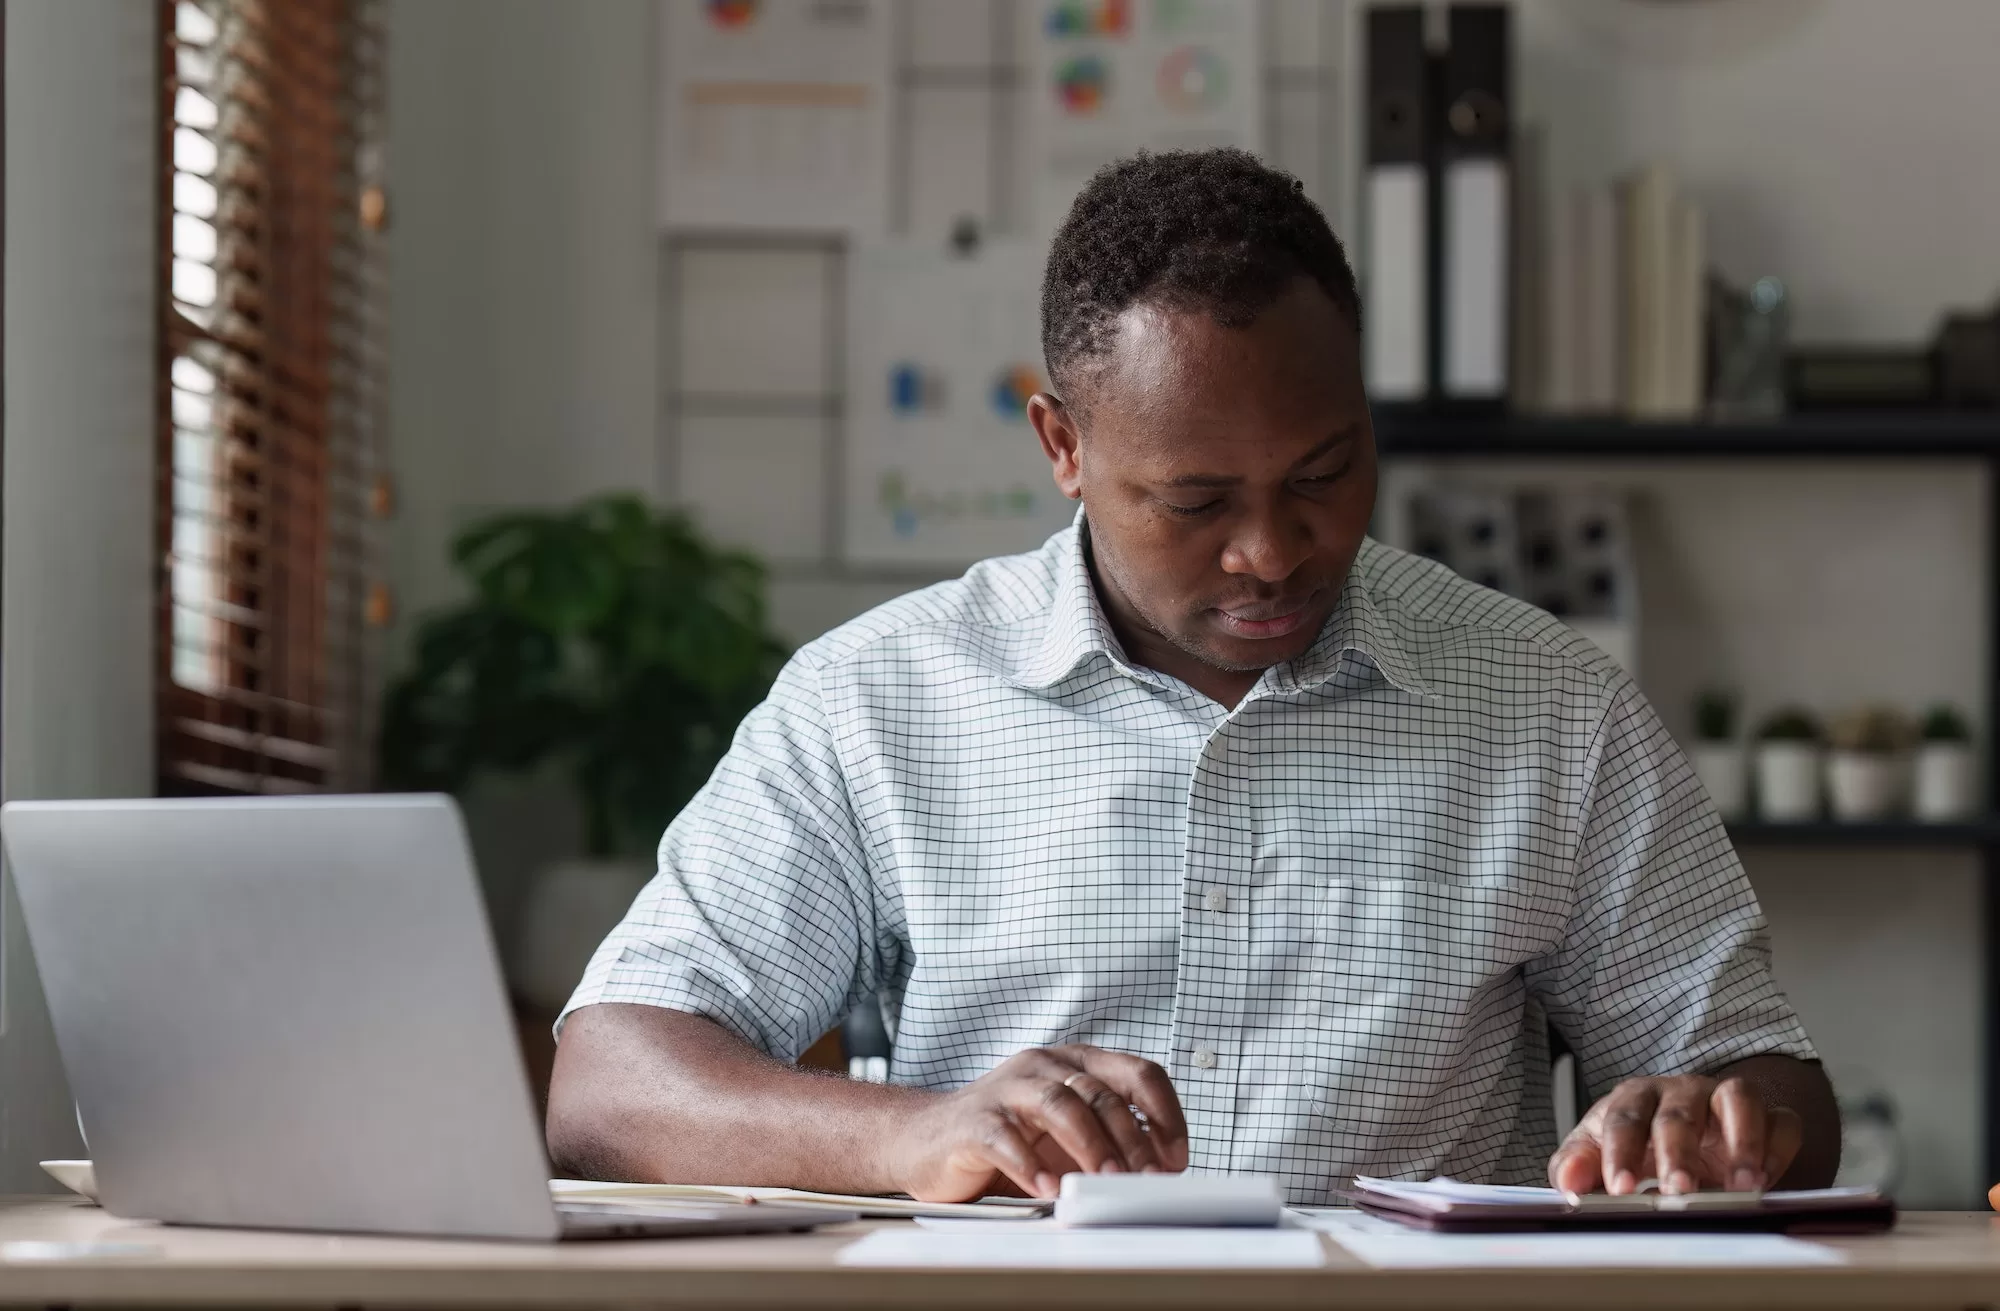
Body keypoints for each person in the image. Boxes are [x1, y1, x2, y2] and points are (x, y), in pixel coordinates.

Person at [547, 149, 1838, 1205]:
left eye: (1324, 476)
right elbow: (609, 1084)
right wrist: (908, 1134)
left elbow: (1775, 1093)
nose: (1272, 550)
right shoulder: (881, 701)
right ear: (1062, 442)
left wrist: (1714, 1116)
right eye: (1196, 499)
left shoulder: (1551, 704)